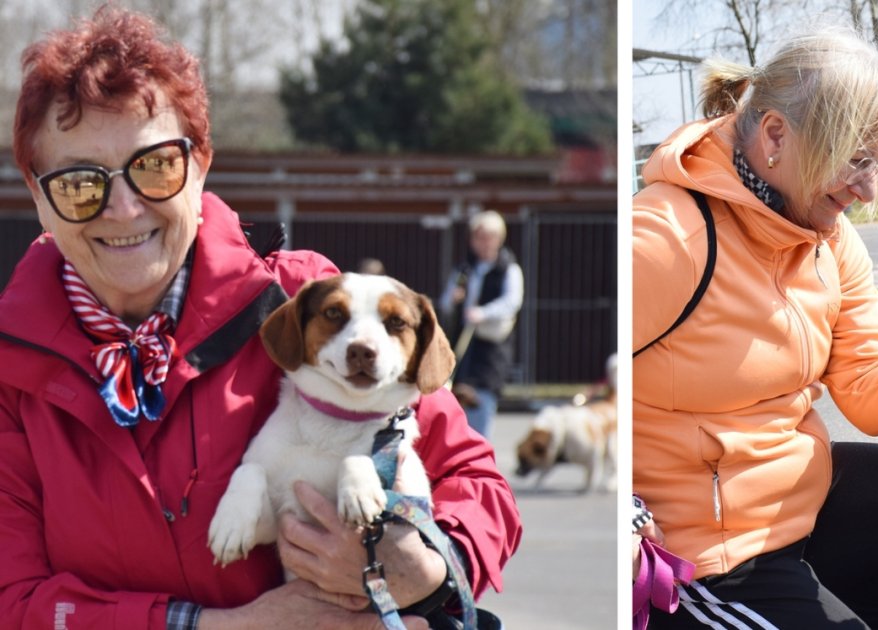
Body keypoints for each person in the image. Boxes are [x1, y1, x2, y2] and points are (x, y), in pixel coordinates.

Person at [0, 7, 520, 629]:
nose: (124, 208)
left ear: (201, 163)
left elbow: (477, 480)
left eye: (155, 165)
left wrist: (431, 567)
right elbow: (13, 601)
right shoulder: (11, 371)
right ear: (37, 193)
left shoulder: (306, 303)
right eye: (81, 183)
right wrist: (211, 626)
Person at [632, 26, 878, 629]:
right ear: (775, 135)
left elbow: (867, 389)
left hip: (799, 511)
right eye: (857, 158)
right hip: (702, 557)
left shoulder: (827, 239)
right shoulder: (667, 240)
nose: (870, 186)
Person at [439, 210, 524, 438]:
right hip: (464, 344)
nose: (484, 243)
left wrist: (483, 313)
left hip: (491, 348)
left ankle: (479, 447)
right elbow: (445, 302)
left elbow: (512, 302)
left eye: (490, 237)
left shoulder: (509, 269)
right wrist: (453, 299)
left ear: (499, 239)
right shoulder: (464, 269)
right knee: (458, 396)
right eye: (480, 237)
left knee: (482, 399)